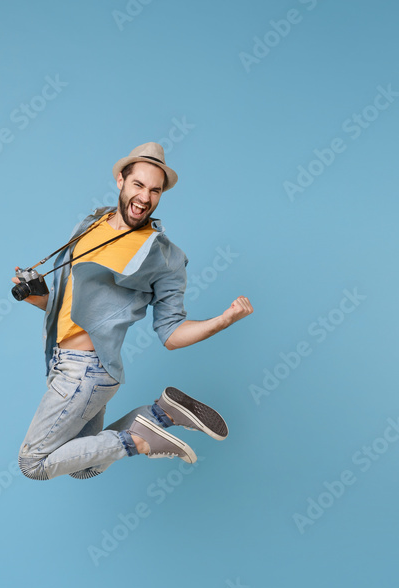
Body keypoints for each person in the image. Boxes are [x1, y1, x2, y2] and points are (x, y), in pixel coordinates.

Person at [13, 142, 253, 481]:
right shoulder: (91, 223)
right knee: (85, 467)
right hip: (60, 359)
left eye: (155, 191)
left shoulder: (164, 256)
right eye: (138, 185)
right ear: (121, 182)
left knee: (33, 464)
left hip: (86, 372)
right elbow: (77, 306)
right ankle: (161, 414)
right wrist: (40, 298)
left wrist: (223, 320)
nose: (145, 197)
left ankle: (137, 440)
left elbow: (171, 334)